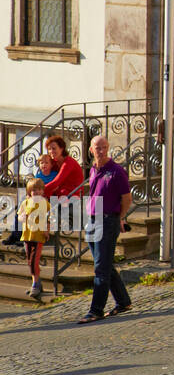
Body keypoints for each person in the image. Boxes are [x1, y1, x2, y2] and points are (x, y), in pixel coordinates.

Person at [78, 135, 133, 323]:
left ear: (108, 148)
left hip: (108, 221)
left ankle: (96, 310)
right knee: (105, 265)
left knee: (101, 268)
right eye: (96, 148)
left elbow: (127, 198)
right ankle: (123, 301)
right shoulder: (93, 169)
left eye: (103, 147)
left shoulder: (116, 172)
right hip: (93, 220)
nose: (100, 151)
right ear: (91, 150)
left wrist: (120, 217)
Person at [4, 135, 82, 246]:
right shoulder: (54, 162)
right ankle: (16, 235)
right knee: (24, 202)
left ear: (62, 148)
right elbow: (44, 176)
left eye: (54, 148)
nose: (51, 151)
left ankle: (29, 238)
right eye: (49, 149)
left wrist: (39, 192)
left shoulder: (68, 162)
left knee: (36, 206)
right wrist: (31, 192)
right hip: (54, 192)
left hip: (68, 194)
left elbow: (57, 181)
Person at [17, 178, 48, 300]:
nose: (38, 192)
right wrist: (22, 217)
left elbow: (49, 216)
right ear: (30, 192)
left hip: (38, 236)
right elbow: (19, 216)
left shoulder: (44, 203)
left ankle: (35, 284)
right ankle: (38, 282)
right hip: (27, 235)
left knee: (34, 261)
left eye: (40, 189)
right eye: (34, 190)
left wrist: (47, 229)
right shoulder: (25, 202)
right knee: (30, 261)